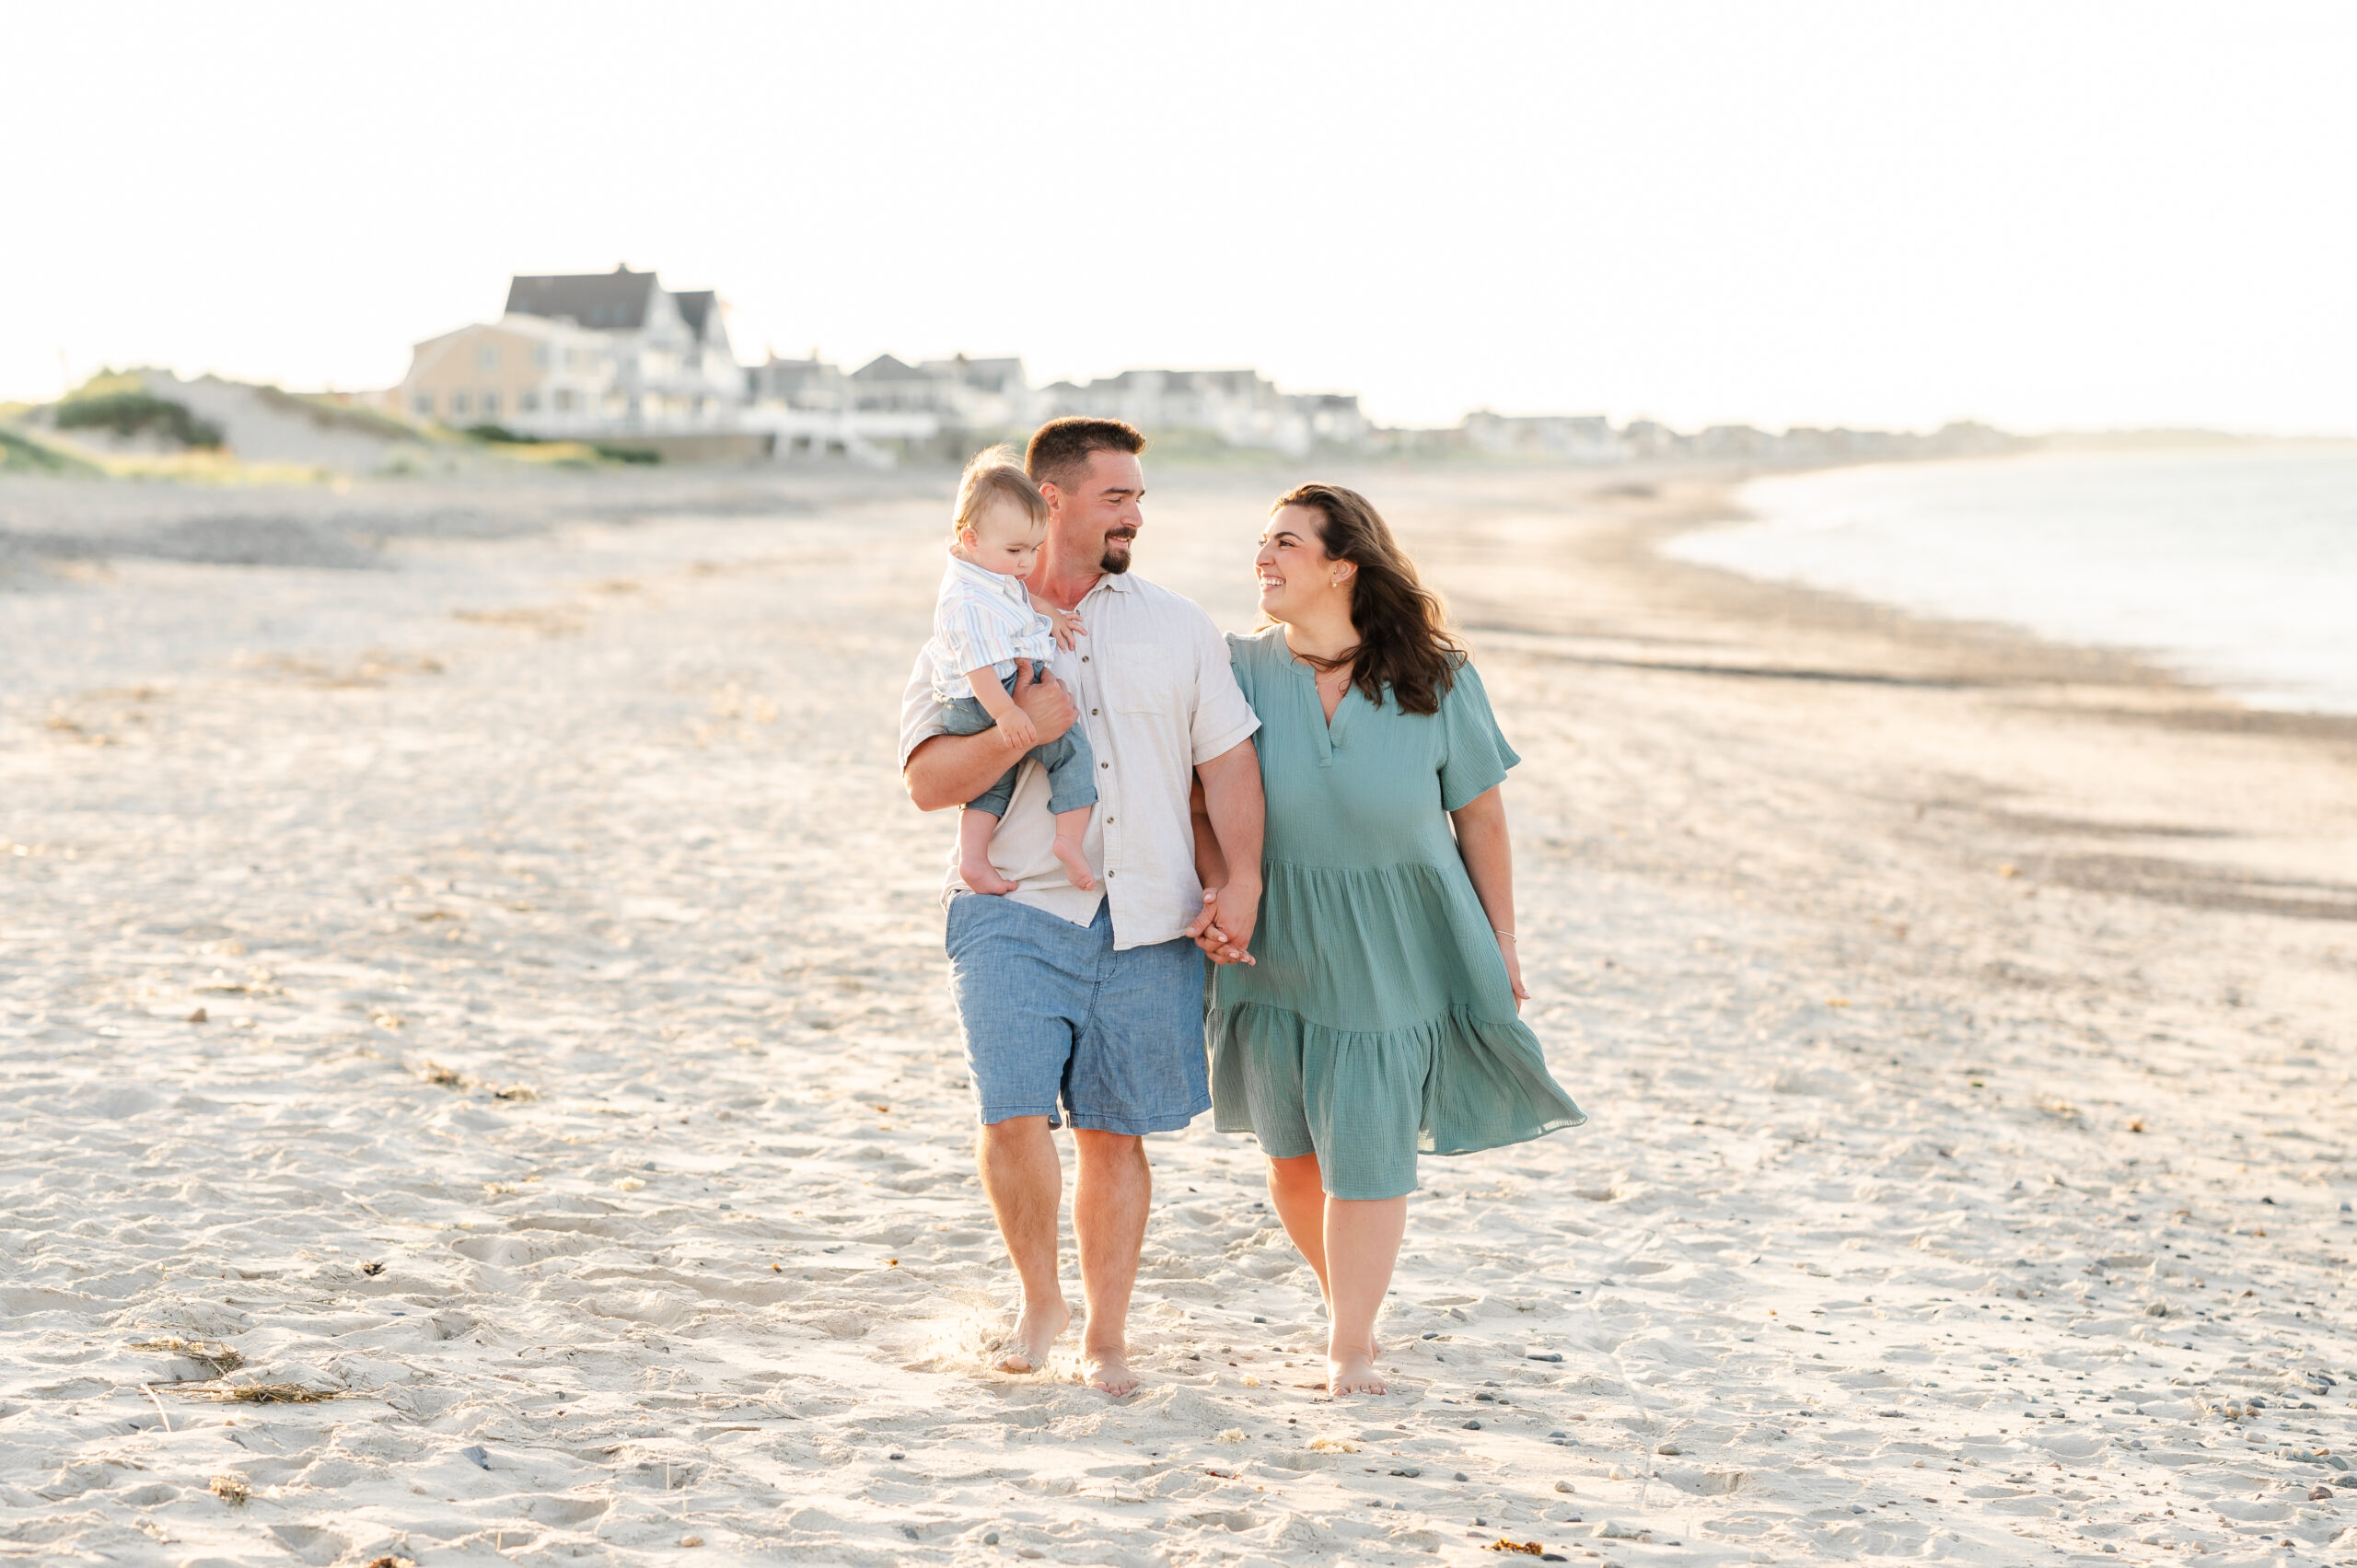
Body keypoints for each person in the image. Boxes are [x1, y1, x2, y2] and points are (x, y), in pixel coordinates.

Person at [1191, 482, 1585, 1397]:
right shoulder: (1234, 667)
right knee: (1290, 1155)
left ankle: (1352, 1343)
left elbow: (1480, 818)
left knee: (1366, 1146)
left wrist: (1503, 938)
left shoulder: (1436, 676)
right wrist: (1222, 882)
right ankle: (1350, 1302)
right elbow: (1196, 796)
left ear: (1341, 565)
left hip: (1399, 938)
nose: (1263, 558)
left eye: (1283, 543)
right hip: (1278, 933)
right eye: (1261, 541)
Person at [900, 417, 1266, 1396]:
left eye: (1140, 497)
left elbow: (1227, 760)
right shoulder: (965, 625)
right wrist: (1025, 731)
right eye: (1117, 496)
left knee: (1116, 1130)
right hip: (1012, 906)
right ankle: (1039, 1297)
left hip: (1148, 915)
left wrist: (1244, 878)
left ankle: (1105, 1334)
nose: (1136, 515)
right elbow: (930, 781)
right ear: (1050, 499)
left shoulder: (1176, 624)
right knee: (1010, 1108)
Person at [923, 447, 1095, 895]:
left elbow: (1020, 597)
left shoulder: (988, 574)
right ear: (971, 537)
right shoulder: (965, 599)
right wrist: (1009, 715)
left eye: (1035, 549)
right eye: (1016, 550)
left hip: (979, 697)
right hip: (988, 693)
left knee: (991, 785)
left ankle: (974, 860)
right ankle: (1069, 841)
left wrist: (1051, 614)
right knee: (1072, 751)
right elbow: (978, 666)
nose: (1026, 563)